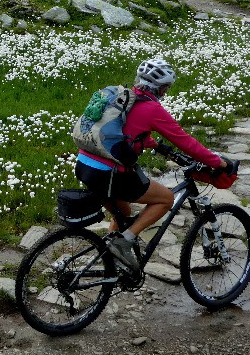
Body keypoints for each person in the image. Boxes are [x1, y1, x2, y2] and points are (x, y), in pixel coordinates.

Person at [74, 58, 232, 275]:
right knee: (166, 198)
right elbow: (186, 142)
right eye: (167, 88)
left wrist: (156, 145)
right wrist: (218, 162)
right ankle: (124, 243)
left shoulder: (123, 97)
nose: (166, 92)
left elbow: (123, 131)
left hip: (85, 165)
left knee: (124, 214)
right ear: (162, 87)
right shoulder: (152, 109)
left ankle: (112, 265)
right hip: (109, 174)